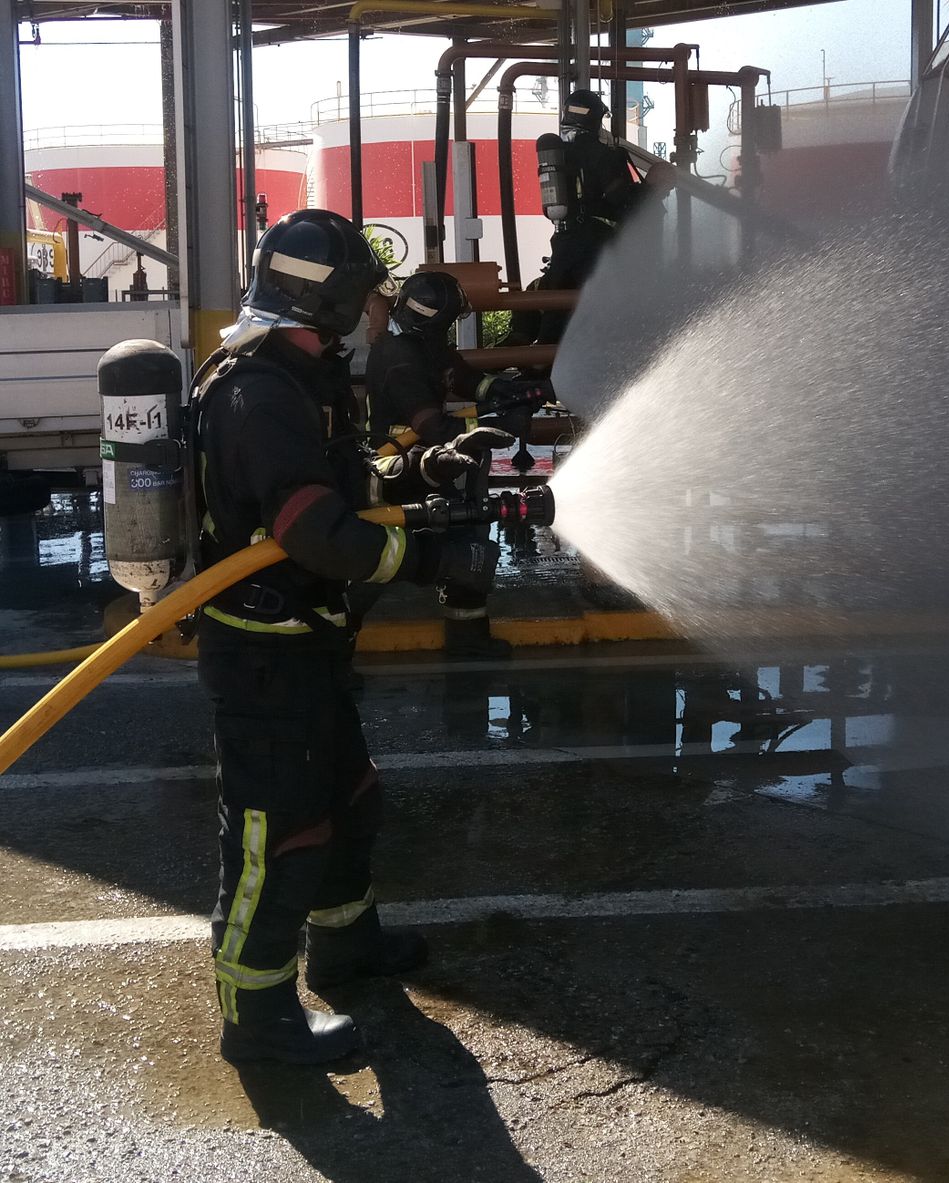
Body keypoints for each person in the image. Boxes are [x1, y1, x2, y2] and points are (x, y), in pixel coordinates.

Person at [193, 208, 503, 1065]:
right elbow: (318, 532)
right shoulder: (258, 394)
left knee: (346, 800)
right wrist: (431, 557)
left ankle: (345, 945)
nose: (374, 314)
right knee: (277, 836)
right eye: (363, 299)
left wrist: (420, 468)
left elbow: (344, 481)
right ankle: (257, 1020)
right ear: (320, 300)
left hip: (309, 639)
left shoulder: (304, 375)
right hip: (264, 653)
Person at [365, 270, 547, 658]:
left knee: (471, 543)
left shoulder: (426, 346)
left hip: (439, 460)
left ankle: (468, 637)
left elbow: (464, 378)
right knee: (413, 553)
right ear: (438, 322)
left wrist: (506, 389)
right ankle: (342, 635)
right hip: (403, 468)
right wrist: (497, 425)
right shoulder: (398, 357)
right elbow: (432, 427)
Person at [511, 87, 672, 345]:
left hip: (563, 244)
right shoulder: (604, 155)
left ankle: (527, 357)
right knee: (604, 322)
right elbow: (622, 200)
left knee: (553, 313)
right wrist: (653, 188)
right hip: (595, 247)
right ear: (596, 119)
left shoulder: (559, 154)